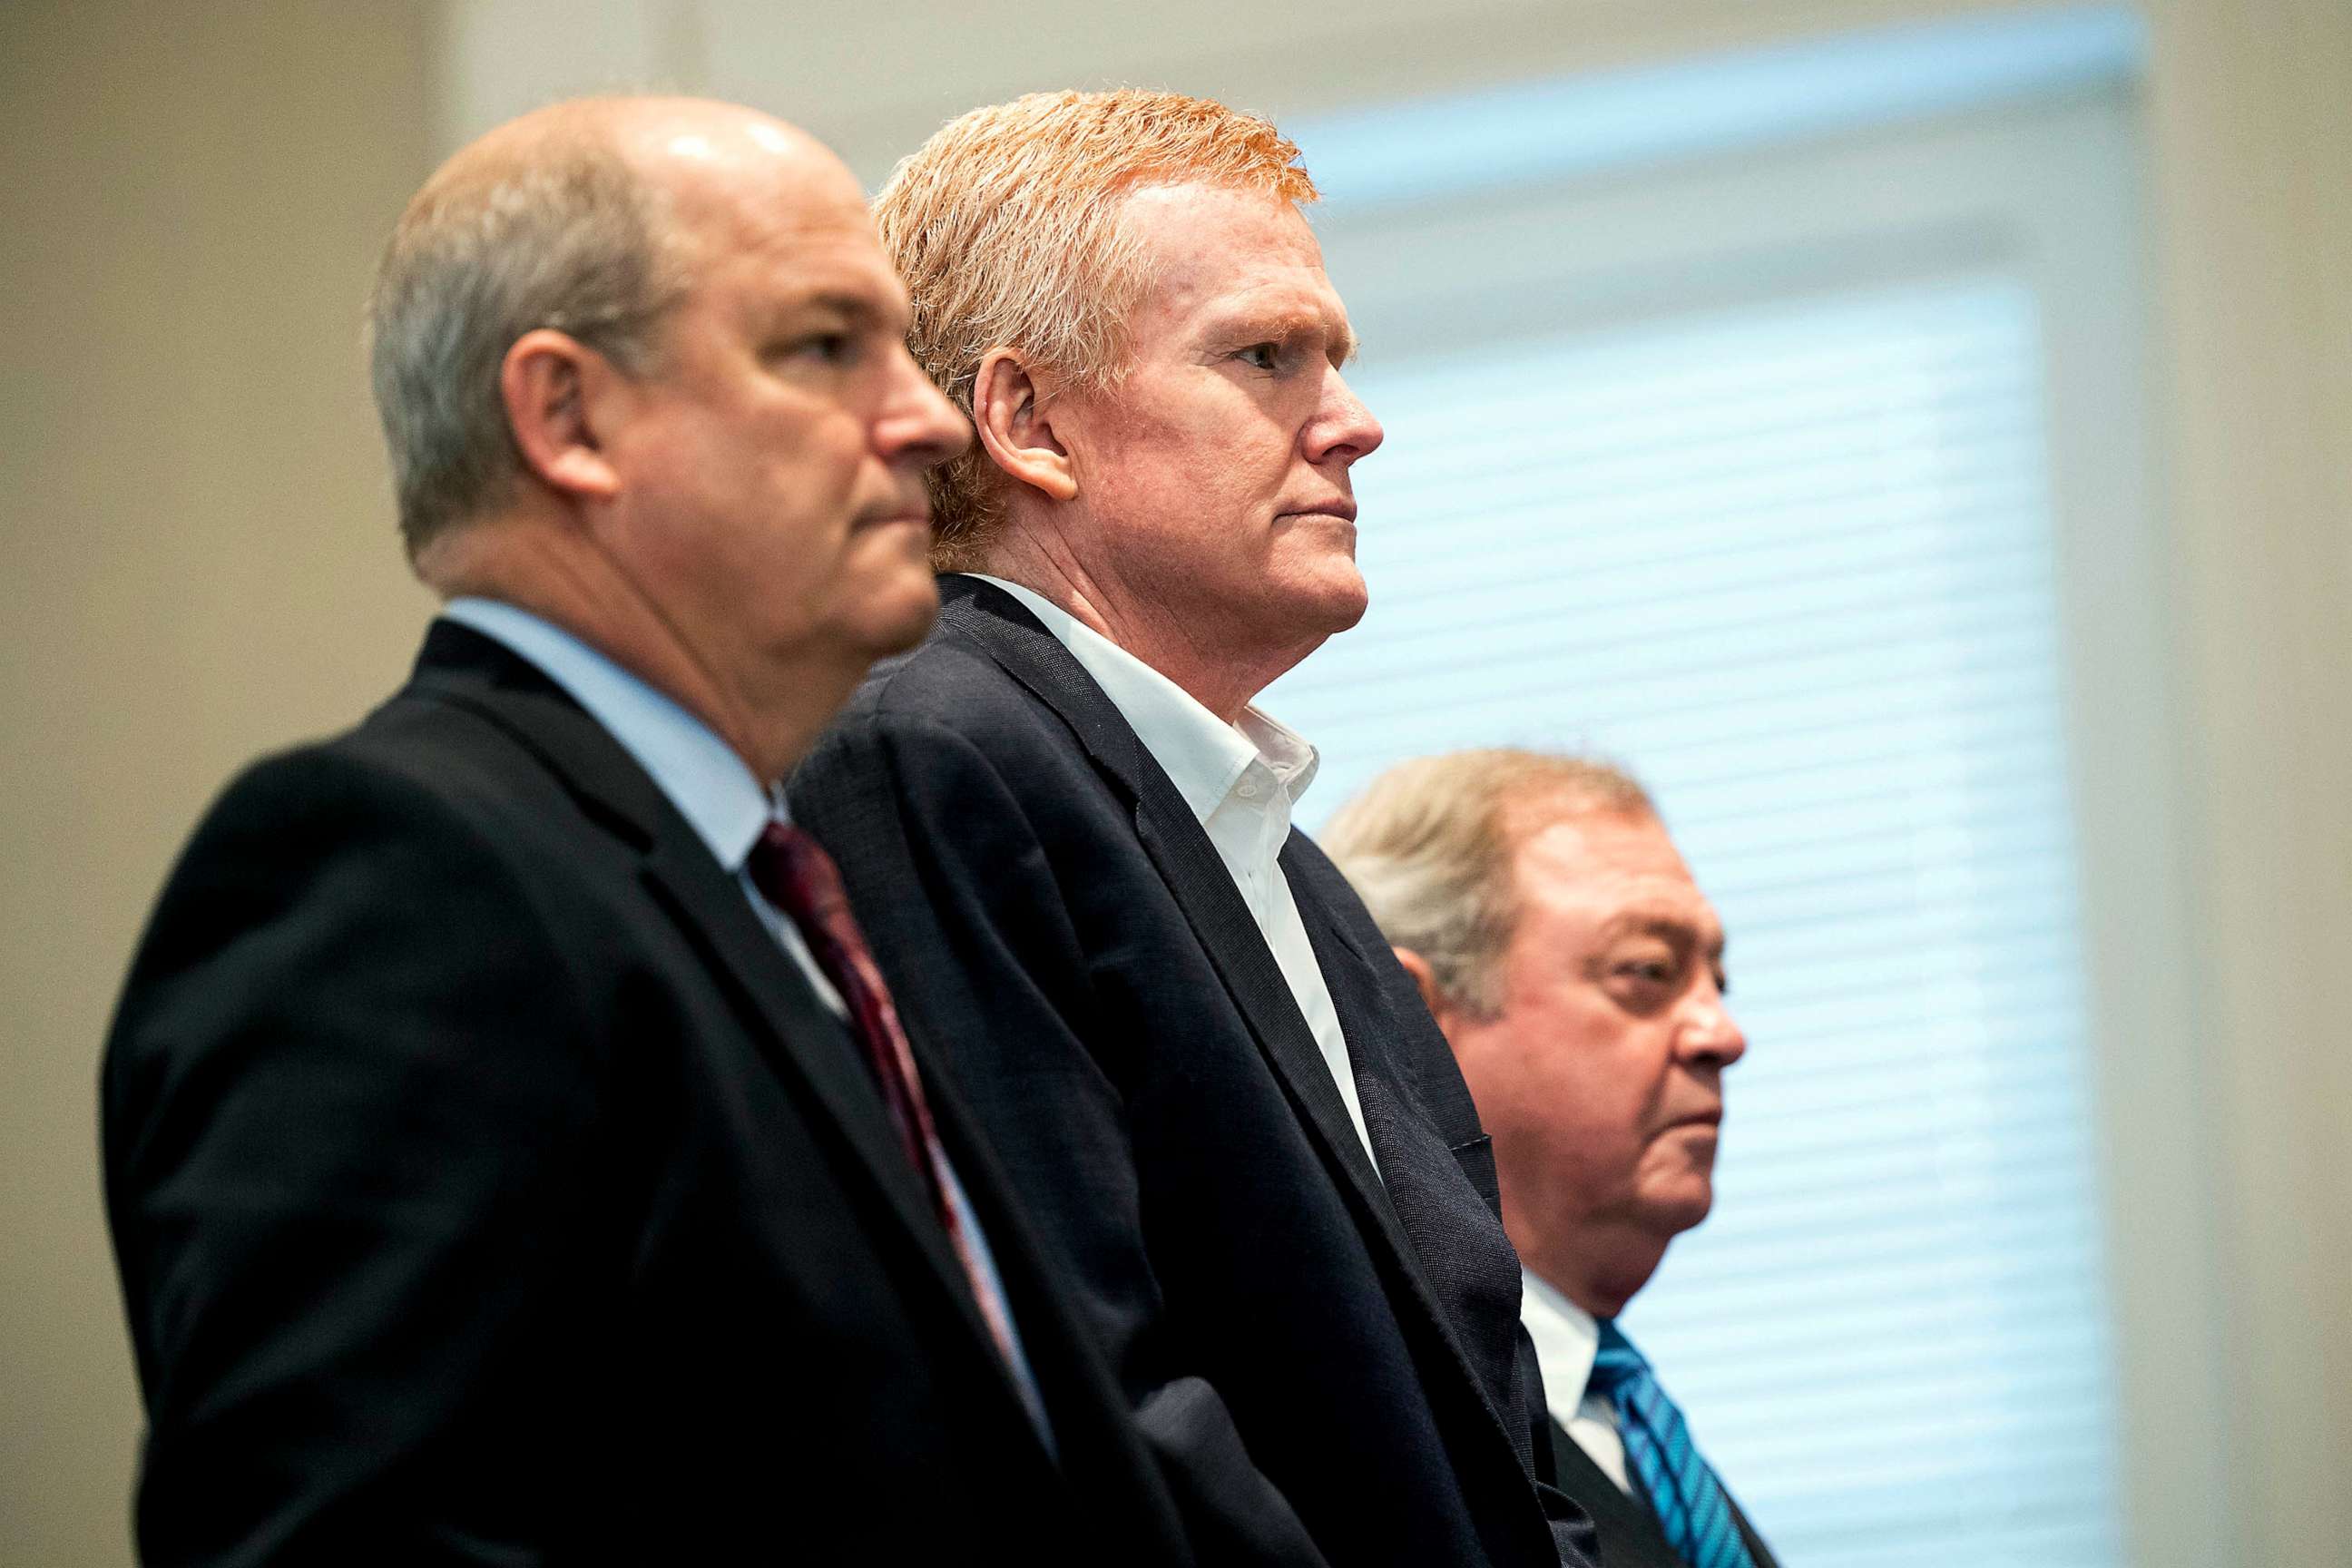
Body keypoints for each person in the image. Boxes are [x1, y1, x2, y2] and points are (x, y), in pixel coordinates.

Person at [102, 95, 1196, 1567]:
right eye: (821, 346)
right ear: (569, 417)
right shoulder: (394, 869)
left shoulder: (767, 891)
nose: (926, 419)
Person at [788, 90, 1597, 1568]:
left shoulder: (1287, 863)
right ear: (1027, 420)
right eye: (1264, 356)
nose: (1351, 419)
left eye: (1334, 357)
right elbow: (1085, 1394)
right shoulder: (925, 748)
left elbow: (1487, 1422)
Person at [1323, 750, 1779, 1568]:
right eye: (1647, 971)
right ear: (1412, 1021)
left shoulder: (1633, 1431)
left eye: (1720, 981)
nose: (1723, 1035)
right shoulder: (1373, 1424)